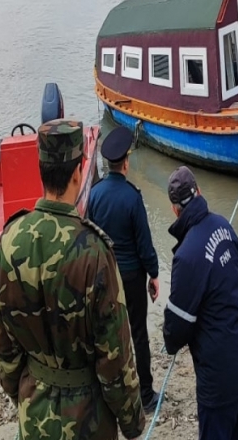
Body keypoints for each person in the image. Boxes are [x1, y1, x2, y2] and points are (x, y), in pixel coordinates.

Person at [0, 119, 145, 440]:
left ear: (41, 171)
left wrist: (20, 391)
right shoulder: (94, 251)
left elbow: (4, 340)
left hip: (34, 412)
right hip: (89, 420)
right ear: (78, 172)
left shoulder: (8, 241)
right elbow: (115, 357)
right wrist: (132, 422)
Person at [162, 166, 238, 440]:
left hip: (217, 376)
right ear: (199, 192)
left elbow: (178, 325)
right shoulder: (224, 226)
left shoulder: (186, 256)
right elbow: (236, 277)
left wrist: (169, 341)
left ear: (174, 210)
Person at [87, 126, 162, 413]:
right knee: (138, 333)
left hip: (105, 275)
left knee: (108, 333)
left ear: (108, 163)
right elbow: (145, 244)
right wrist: (154, 274)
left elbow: (91, 238)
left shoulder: (94, 195)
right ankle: (146, 395)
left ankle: (111, 392)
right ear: (126, 162)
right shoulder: (132, 198)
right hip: (131, 277)